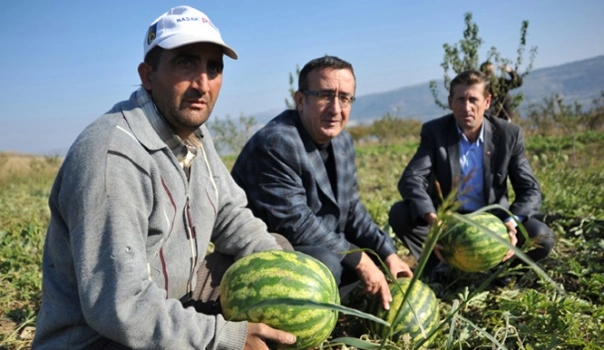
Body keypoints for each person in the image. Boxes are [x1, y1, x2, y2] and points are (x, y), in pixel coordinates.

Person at [32, 5, 298, 349]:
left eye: (213, 67)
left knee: (275, 250)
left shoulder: (194, 136)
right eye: (186, 62)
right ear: (148, 75)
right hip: (102, 338)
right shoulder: (112, 155)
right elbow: (119, 305)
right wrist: (223, 338)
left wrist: (282, 278)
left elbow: (232, 215)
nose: (202, 84)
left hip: (173, 297)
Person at [231, 55, 413, 311]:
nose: (336, 109)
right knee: (327, 263)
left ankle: (339, 300)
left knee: (372, 258)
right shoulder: (276, 143)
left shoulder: (343, 141)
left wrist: (388, 253)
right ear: (301, 100)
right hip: (268, 254)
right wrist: (360, 261)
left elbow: (353, 210)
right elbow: (295, 225)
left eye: (345, 98)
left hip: (316, 244)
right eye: (325, 95)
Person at [388, 69, 555, 283]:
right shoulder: (435, 132)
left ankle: (503, 272)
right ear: (450, 102)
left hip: (495, 220)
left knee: (543, 237)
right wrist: (433, 219)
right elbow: (411, 179)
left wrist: (511, 222)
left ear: (487, 102)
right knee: (401, 213)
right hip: (449, 221)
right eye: (460, 99)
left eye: (473, 99)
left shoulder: (508, 134)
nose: (467, 107)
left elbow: (530, 190)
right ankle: (438, 261)